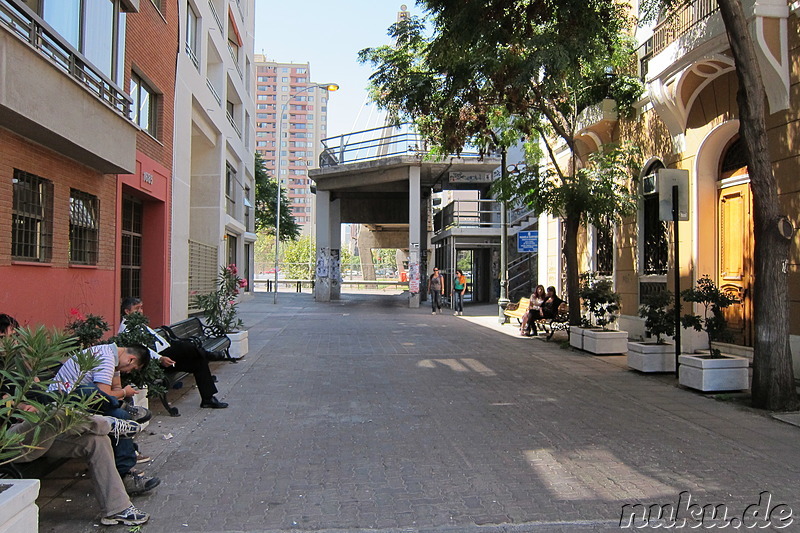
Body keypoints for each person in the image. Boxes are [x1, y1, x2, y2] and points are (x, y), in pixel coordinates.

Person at [1, 314, 150, 525]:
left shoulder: (18, 364)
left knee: (96, 441)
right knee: (56, 412)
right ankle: (109, 424)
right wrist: (20, 406)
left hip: (39, 434)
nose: (18, 340)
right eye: (13, 335)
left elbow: (36, 391)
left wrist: (29, 398)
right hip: (11, 441)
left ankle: (117, 509)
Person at [48, 342, 160, 495]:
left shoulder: (112, 358)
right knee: (115, 411)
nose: (128, 372)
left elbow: (114, 389)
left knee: (120, 413)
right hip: (62, 404)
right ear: (131, 360)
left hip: (82, 403)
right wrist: (123, 394)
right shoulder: (106, 358)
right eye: (132, 368)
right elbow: (103, 395)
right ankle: (125, 474)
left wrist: (121, 393)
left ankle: (125, 470)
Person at [119, 298, 228, 409]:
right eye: (137, 309)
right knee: (185, 346)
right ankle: (209, 355)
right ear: (127, 311)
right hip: (156, 361)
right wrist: (161, 358)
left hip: (167, 355)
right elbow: (142, 350)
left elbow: (158, 339)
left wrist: (170, 348)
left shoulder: (139, 324)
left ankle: (208, 399)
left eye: (141, 308)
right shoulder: (126, 328)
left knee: (199, 361)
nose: (141, 311)